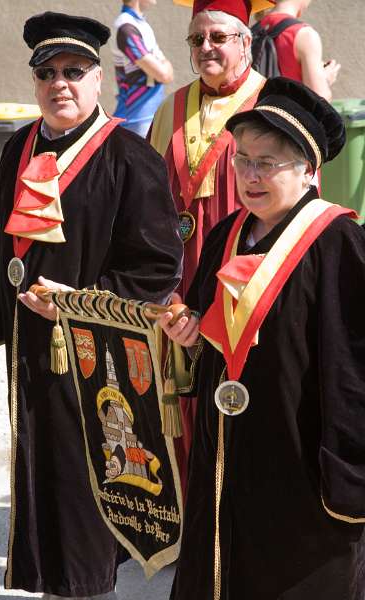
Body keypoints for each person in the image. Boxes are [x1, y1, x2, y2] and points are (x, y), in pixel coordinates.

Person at [0, 11, 183, 599]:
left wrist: (79, 303)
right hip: (29, 345)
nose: (59, 84)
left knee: (87, 481)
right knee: (41, 472)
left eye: (74, 72)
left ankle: (88, 591)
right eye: (47, 74)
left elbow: (158, 265)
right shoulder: (19, 147)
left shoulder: (130, 157)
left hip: (95, 354)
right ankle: (55, 586)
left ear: (97, 81)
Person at [159, 77, 365, 599]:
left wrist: (348, 472)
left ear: (308, 170)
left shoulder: (337, 240)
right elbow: (209, 327)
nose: (249, 175)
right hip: (225, 453)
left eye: (267, 162)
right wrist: (188, 334)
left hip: (298, 461)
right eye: (242, 159)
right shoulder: (226, 233)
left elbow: (352, 367)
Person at [150, 0, 273, 497]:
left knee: (242, 390)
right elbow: (150, 201)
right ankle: (192, 512)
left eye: (219, 37)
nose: (206, 48)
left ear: (245, 42)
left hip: (245, 271)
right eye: (197, 39)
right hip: (181, 276)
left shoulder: (273, 102)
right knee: (183, 393)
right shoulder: (170, 108)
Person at [112, 0, 173, 137]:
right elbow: (163, 74)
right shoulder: (126, 27)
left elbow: (167, 73)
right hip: (135, 118)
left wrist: (163, 67)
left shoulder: (142, 25)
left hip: (147, 115)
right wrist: (162, 65)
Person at [258, 0, 340, 100]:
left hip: (253, 113)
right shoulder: (305, 35)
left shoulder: (252, 30)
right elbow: (319, 101)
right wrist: (325, 80)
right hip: (285, 113)